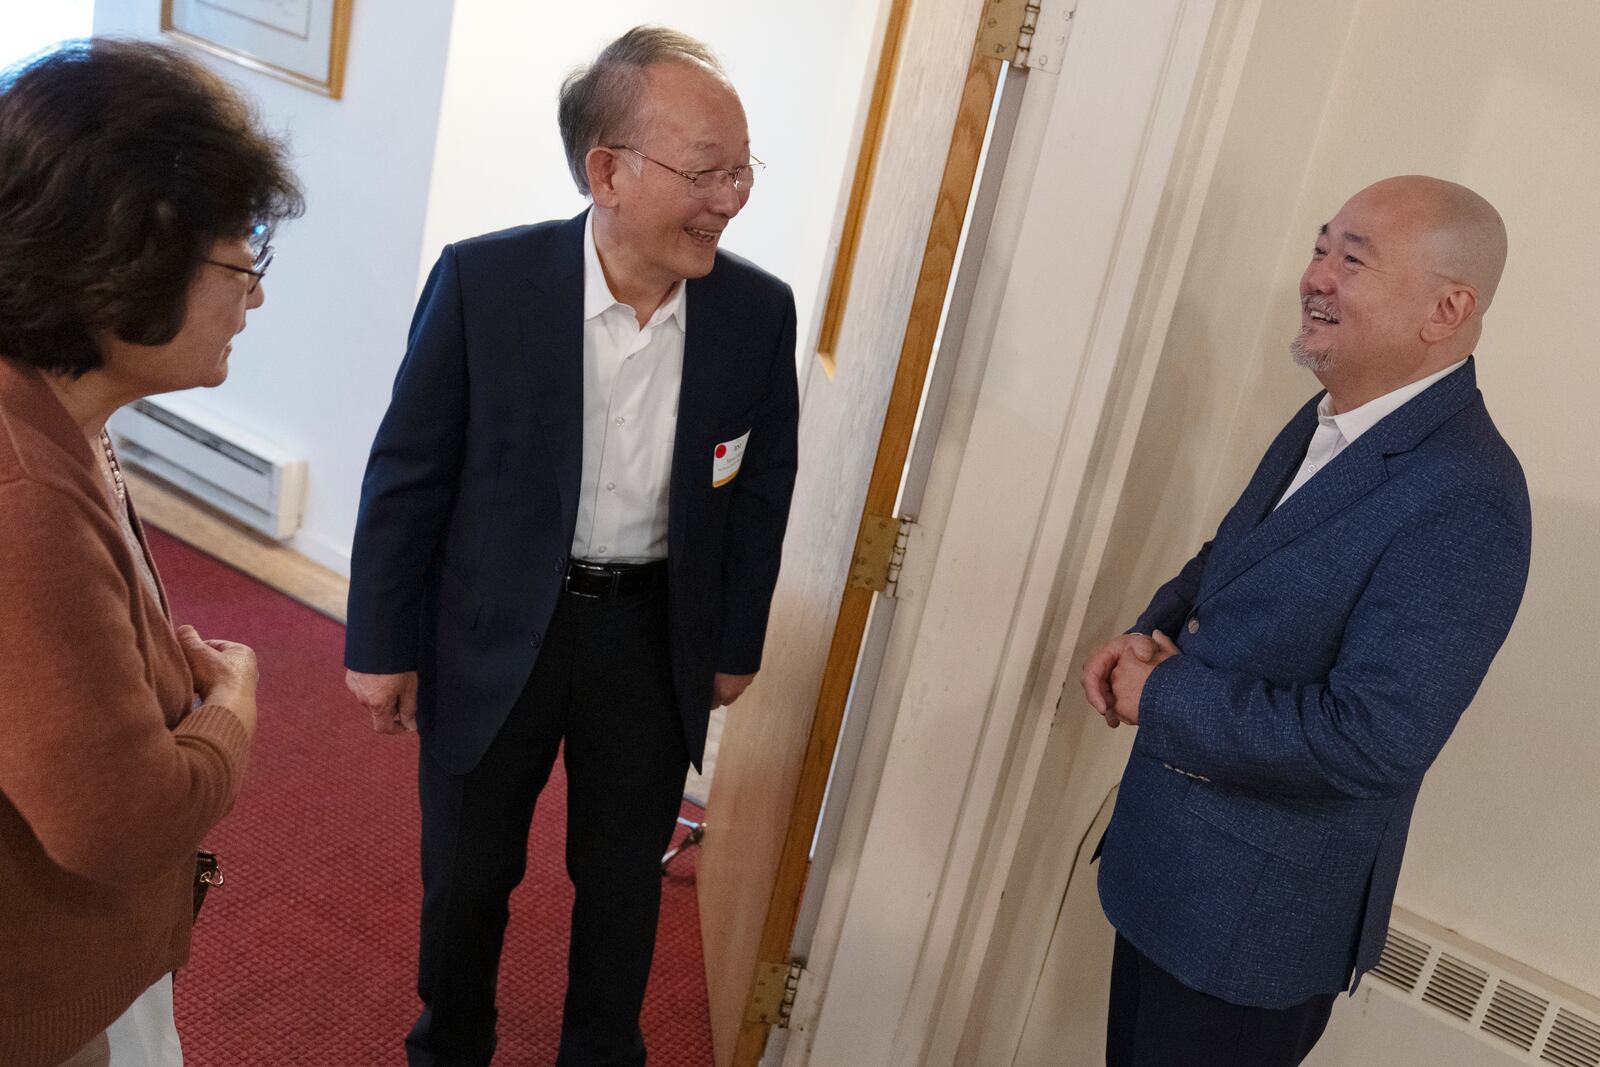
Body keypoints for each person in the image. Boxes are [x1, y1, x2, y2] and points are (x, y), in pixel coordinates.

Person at [343, 26, 799, 1066]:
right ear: (608, 170)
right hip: (493, 628)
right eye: (704, 172)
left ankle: (602, 1048)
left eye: (741, 172)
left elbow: (761, 491)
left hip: (648, 640)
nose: (727, 199)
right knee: (467, 872)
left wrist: (736, 638)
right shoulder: (483, 285)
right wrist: (381, 639)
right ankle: (448, 1040)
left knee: (622, 875)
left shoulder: (753, 314)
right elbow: (407, 473)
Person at [1080, 175, 1531, 1067]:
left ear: (1447, 309)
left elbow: (1368, 740)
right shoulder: (1330, 413)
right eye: (1321, 247)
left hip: (1249, 933)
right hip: (1167, 874)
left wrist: (1162, 693)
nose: (1315, 275)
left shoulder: (1469, 498)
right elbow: (1235, 555)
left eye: (1352, 259)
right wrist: (1150, 628)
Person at [0, 39, 303, 1067]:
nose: (254, 297)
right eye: (240, 259)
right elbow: (120, 822)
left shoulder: (58, 412)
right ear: (122, 260)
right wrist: (229, 709)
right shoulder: (24, 492)